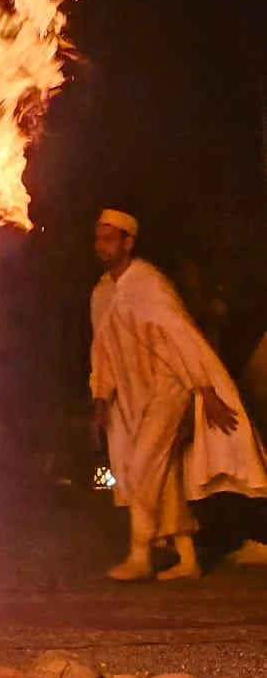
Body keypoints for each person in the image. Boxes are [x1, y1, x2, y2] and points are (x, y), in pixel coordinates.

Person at [90, 208, 267, 581]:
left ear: (128, 242)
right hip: (131, 396)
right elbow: (101, 350)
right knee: (162, 473)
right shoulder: (103, 292)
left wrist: (205, 391)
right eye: (98, 238)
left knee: (142, 467)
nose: (101, 246)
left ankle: (140, 555)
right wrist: (101, 398)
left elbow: (182, 338)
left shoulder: (148, 283)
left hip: (170, 386)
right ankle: (188, 559)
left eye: (109, 238)